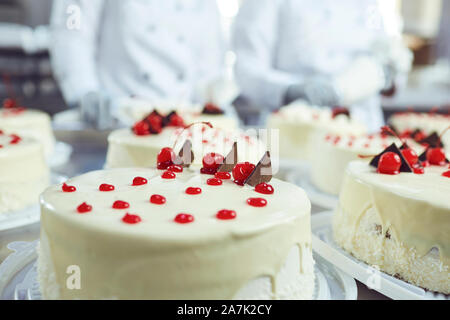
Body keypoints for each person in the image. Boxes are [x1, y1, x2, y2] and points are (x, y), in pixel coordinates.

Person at [232, 0, 412, 131]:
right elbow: (247, 70)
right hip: (297, 129)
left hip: (365, 130)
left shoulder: (366, 4)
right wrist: (291, 89)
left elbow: (385, 55)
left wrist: (388, 75)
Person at [49, 0, 226, 126]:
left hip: (182, 123)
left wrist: (212, 98)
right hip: (117, 118)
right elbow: (72, 31)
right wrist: (84, 88)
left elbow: (209, 56)